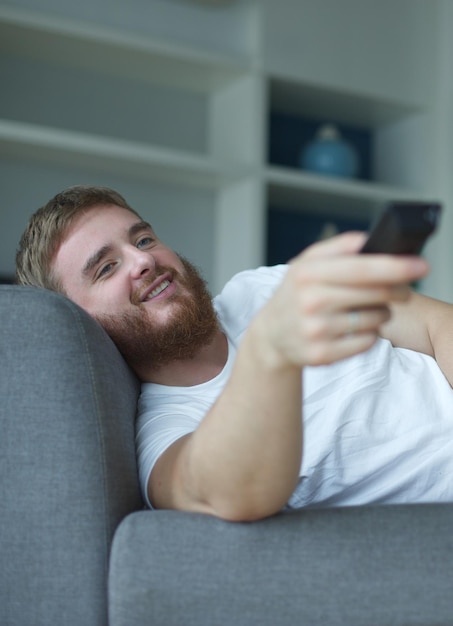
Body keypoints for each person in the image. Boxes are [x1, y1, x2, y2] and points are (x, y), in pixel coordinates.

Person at [16, 185, 453, 522]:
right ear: (82, 326)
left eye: (144, 239)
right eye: (106, 267)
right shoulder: (164, 434)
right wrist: (270, 348)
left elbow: (436, 324)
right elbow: (229, 492)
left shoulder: (263, 287)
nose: (141, 260)